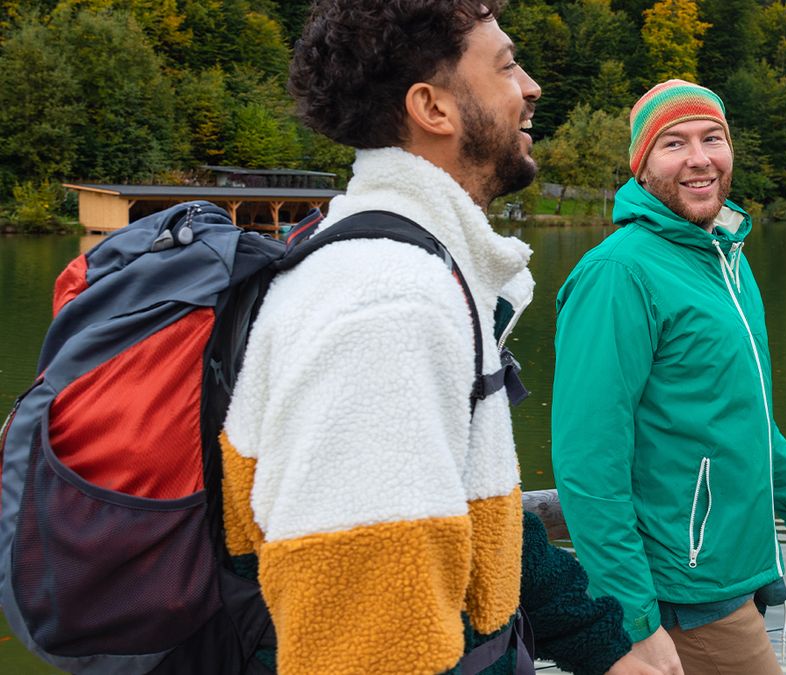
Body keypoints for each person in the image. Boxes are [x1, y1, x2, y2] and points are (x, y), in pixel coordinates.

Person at [220, 1, 659, 673]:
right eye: (507, 66)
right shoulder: (387, 307)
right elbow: (366, 649)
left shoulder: (411, 267)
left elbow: (479, 519)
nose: (532, 86)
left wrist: (606, 647)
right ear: (434, 108)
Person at [551, 79, 786, 675]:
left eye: (713, 138)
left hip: (740, 564)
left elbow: (746, 411)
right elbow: (588, 465)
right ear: (643, 165)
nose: (699, 158)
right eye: (674, 143)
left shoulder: (725, 258)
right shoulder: (618, 274)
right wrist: (633, 621)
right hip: (683, 592)